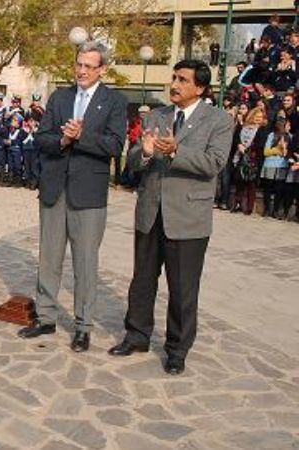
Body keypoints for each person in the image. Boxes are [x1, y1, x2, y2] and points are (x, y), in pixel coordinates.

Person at [108, 60, 234, 375]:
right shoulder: (157, 115)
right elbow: (134, 162)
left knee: (183, 287)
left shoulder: (218, 120)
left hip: (188, 218)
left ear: (200, 88)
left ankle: (177, 349)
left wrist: (177, 151)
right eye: (174, 77)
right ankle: (136, 335)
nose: (174, 84)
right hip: (151, 213)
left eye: (182, 80)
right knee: (141, 281)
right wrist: (147, 152)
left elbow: (214, 163)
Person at [17, 41, 127, 353]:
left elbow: (115, 145)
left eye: (89, 66)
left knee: (85, 262)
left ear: (102, 69)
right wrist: (63, 139)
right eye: (79, 64)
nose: (81, 71)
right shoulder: (60, 97)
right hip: (54, 189)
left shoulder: (114, 101)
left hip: (89, 194)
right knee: (49, 257)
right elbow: (42, 138)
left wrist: (82, 137)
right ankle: (46, 316)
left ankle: (83, 326)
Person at [231, 107, 268, 214]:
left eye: (261, 117)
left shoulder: (262, 130)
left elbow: (260, 144)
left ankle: (249, 207)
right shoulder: (243, 127)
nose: (258, 119)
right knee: (239, 182)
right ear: (252, 115)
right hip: (240, 157)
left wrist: (247, 148)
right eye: (257, 116)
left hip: (254, 159)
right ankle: (237, 204)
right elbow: (236, 138)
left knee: (251, 184)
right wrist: (239, 145)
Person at [260, 116, 291, 218]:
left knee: (279, 189)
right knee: (267, 188)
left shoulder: (290, 137)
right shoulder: (271, 135)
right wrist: (278, 150)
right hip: (269, 164)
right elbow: (266, 152)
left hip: (282, 166)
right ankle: (267, 209)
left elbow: (287, 154)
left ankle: (276, 210)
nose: (289, 127)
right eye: (288, 125)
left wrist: (284, 150)